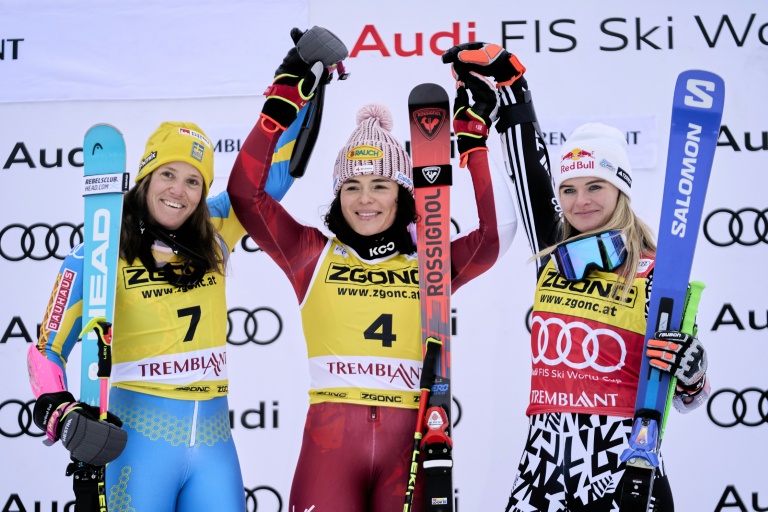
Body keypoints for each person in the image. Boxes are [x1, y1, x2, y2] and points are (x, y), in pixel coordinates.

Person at [226, 35, 518, 511]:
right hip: (330, 450)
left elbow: (497, 234)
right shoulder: (310, 253)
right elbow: (246, 197)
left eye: (380, 185)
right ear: (338, 195)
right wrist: (278, 108)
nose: (365, 199)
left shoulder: (431, 263)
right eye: (353, 186)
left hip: (413, 443)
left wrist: (474, 147)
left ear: (402, 195)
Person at [442, 43, 711, 511]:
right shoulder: (554, 254)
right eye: (568, 189)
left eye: (595, 186)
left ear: (621, 189)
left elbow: (687, 397)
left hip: (622, 457)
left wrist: (693, 371)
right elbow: (530, 172)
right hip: (544, 458)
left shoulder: (654, 268)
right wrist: (512, 90)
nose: (579, 200)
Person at [27, 119, 299, 512]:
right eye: (168, 174)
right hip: (138, 447)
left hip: (214, 448)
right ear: (146, 177)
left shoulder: (216, 229)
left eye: (194, 181)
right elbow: (46, 349)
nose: (179, 190)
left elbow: (275, 176)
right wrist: (61, 412)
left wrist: (297, 86)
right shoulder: (98, 253)